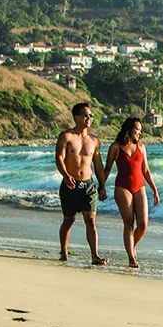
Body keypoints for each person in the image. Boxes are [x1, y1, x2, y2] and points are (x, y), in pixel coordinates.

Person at [54, 102, 109, 264]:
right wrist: (65, 175)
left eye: (91, 115)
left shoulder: (94, 140)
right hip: (70, 185)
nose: (89, 118)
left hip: (88, 185)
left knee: (91, 220)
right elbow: (59, 158)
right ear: (76, 117)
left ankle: (95, 255)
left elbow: (98, 165)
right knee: (69, 220)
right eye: (86, 115)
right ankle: (64, 252)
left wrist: (102, 185)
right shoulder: (66, 136)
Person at [104, 117, 160, 268]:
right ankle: (131, 257)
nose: (139, 133)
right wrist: (101, 186)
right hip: (122, 187)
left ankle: (132, 246)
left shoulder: (141, 147)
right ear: (129, 129)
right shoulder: (116, 147)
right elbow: (107, 169)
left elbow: (146, 171)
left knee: (143, 225)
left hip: (140, 187)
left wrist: (154, 190)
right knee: (129, 223)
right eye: (137, 130)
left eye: (141, 131)